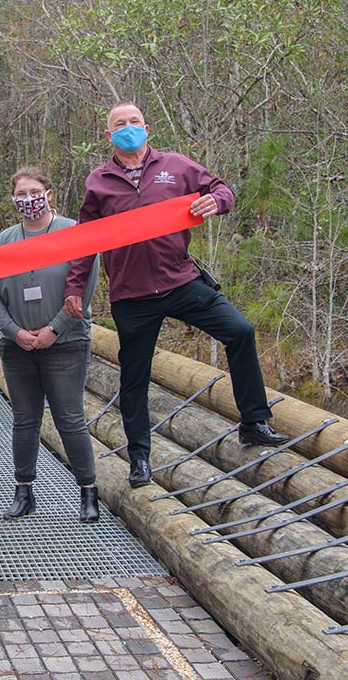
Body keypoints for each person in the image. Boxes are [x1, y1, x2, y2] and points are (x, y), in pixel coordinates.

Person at [64, 101, 287, 489]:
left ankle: (253, 421)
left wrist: (217, 202)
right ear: (108, 135)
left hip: (181, 281)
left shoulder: (177, 166)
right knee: (135, 377)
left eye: (134, 122)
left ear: (146, 128)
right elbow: (85, 242)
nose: (128, 128)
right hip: (131, 296)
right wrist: (74, 289)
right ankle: (139, 459)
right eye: (120, 124)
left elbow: (223, 189)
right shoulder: (98, 182)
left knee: (241, 331)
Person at [0, 168, 102, 523]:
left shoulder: (72, 232)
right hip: (16, 344)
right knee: (24, 420)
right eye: (21, 193)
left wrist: (54, 328)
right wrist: (13, 331)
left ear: (49, 193)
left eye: (35, 191)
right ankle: (24, 491)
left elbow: (85, 286)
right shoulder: (4, 240)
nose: (28, 198)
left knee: (69, 418)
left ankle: (88, 491)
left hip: (65, 341)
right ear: (13, 198)